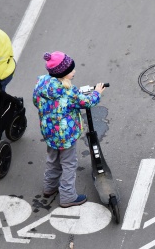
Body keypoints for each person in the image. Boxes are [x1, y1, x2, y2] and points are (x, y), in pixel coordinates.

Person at [33, 51, 105, 208]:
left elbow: (35, 101)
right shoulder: (67, 91)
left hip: (49, 132)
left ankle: (49, 187)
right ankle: (67, 196)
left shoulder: (42, 83)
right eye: (71, 70)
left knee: (53, 159)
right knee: (69, 164)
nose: (74, 72)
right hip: (65, 135)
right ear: (64, 73)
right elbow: (86, 102)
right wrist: (97, 93)